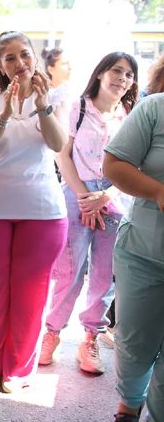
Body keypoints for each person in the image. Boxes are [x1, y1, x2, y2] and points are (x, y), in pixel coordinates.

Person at [0, 31, 68, 393]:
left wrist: (42, 105)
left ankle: (19, 368)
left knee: (31, 292)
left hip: (42, 209)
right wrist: (4, 115)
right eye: (10, 58)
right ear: (0, 65)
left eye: (25, 54)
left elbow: (57, 143)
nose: (20, 63)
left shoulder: (54, 95)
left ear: (35, 57)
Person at [40, 52, 138, 374]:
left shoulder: (131, 116)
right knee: (69, 271)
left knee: (103, 275)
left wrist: (106, 196)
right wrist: (85, 197)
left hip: (114, 198)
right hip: (76, 194)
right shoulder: (77, 107)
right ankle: (52, 332)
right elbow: (62, 155)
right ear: (100, 74)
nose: (122, 78)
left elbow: (134, 166)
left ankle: (90, 339)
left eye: (129, 75)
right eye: (116, 71)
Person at [103, 86, 164, 422]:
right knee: (134, 346)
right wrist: (158, 191)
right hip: (142, 253)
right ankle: (130, 402)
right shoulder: (154, 108)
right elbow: (113, 165)